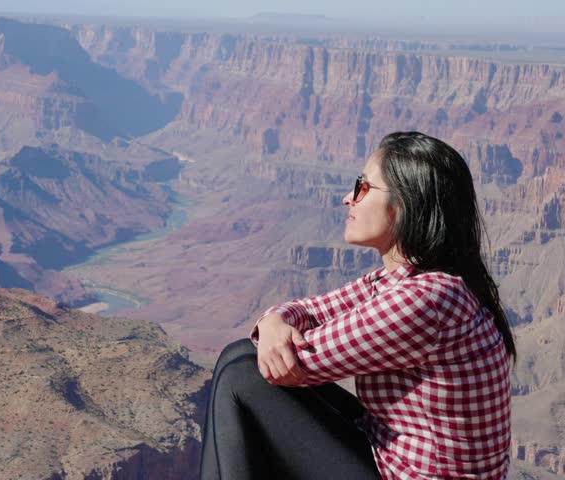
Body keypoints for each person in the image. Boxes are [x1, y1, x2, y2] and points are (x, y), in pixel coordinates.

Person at [199, 131, 516, 480]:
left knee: (242, 375)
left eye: (363, 187)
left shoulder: (425, 299)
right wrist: (273, 322)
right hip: (387, 456)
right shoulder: (406, 280)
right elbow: (312, 310)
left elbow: (294, 362)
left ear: (404, 205)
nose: (347, 198)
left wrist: (272, 333)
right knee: (239, 357)